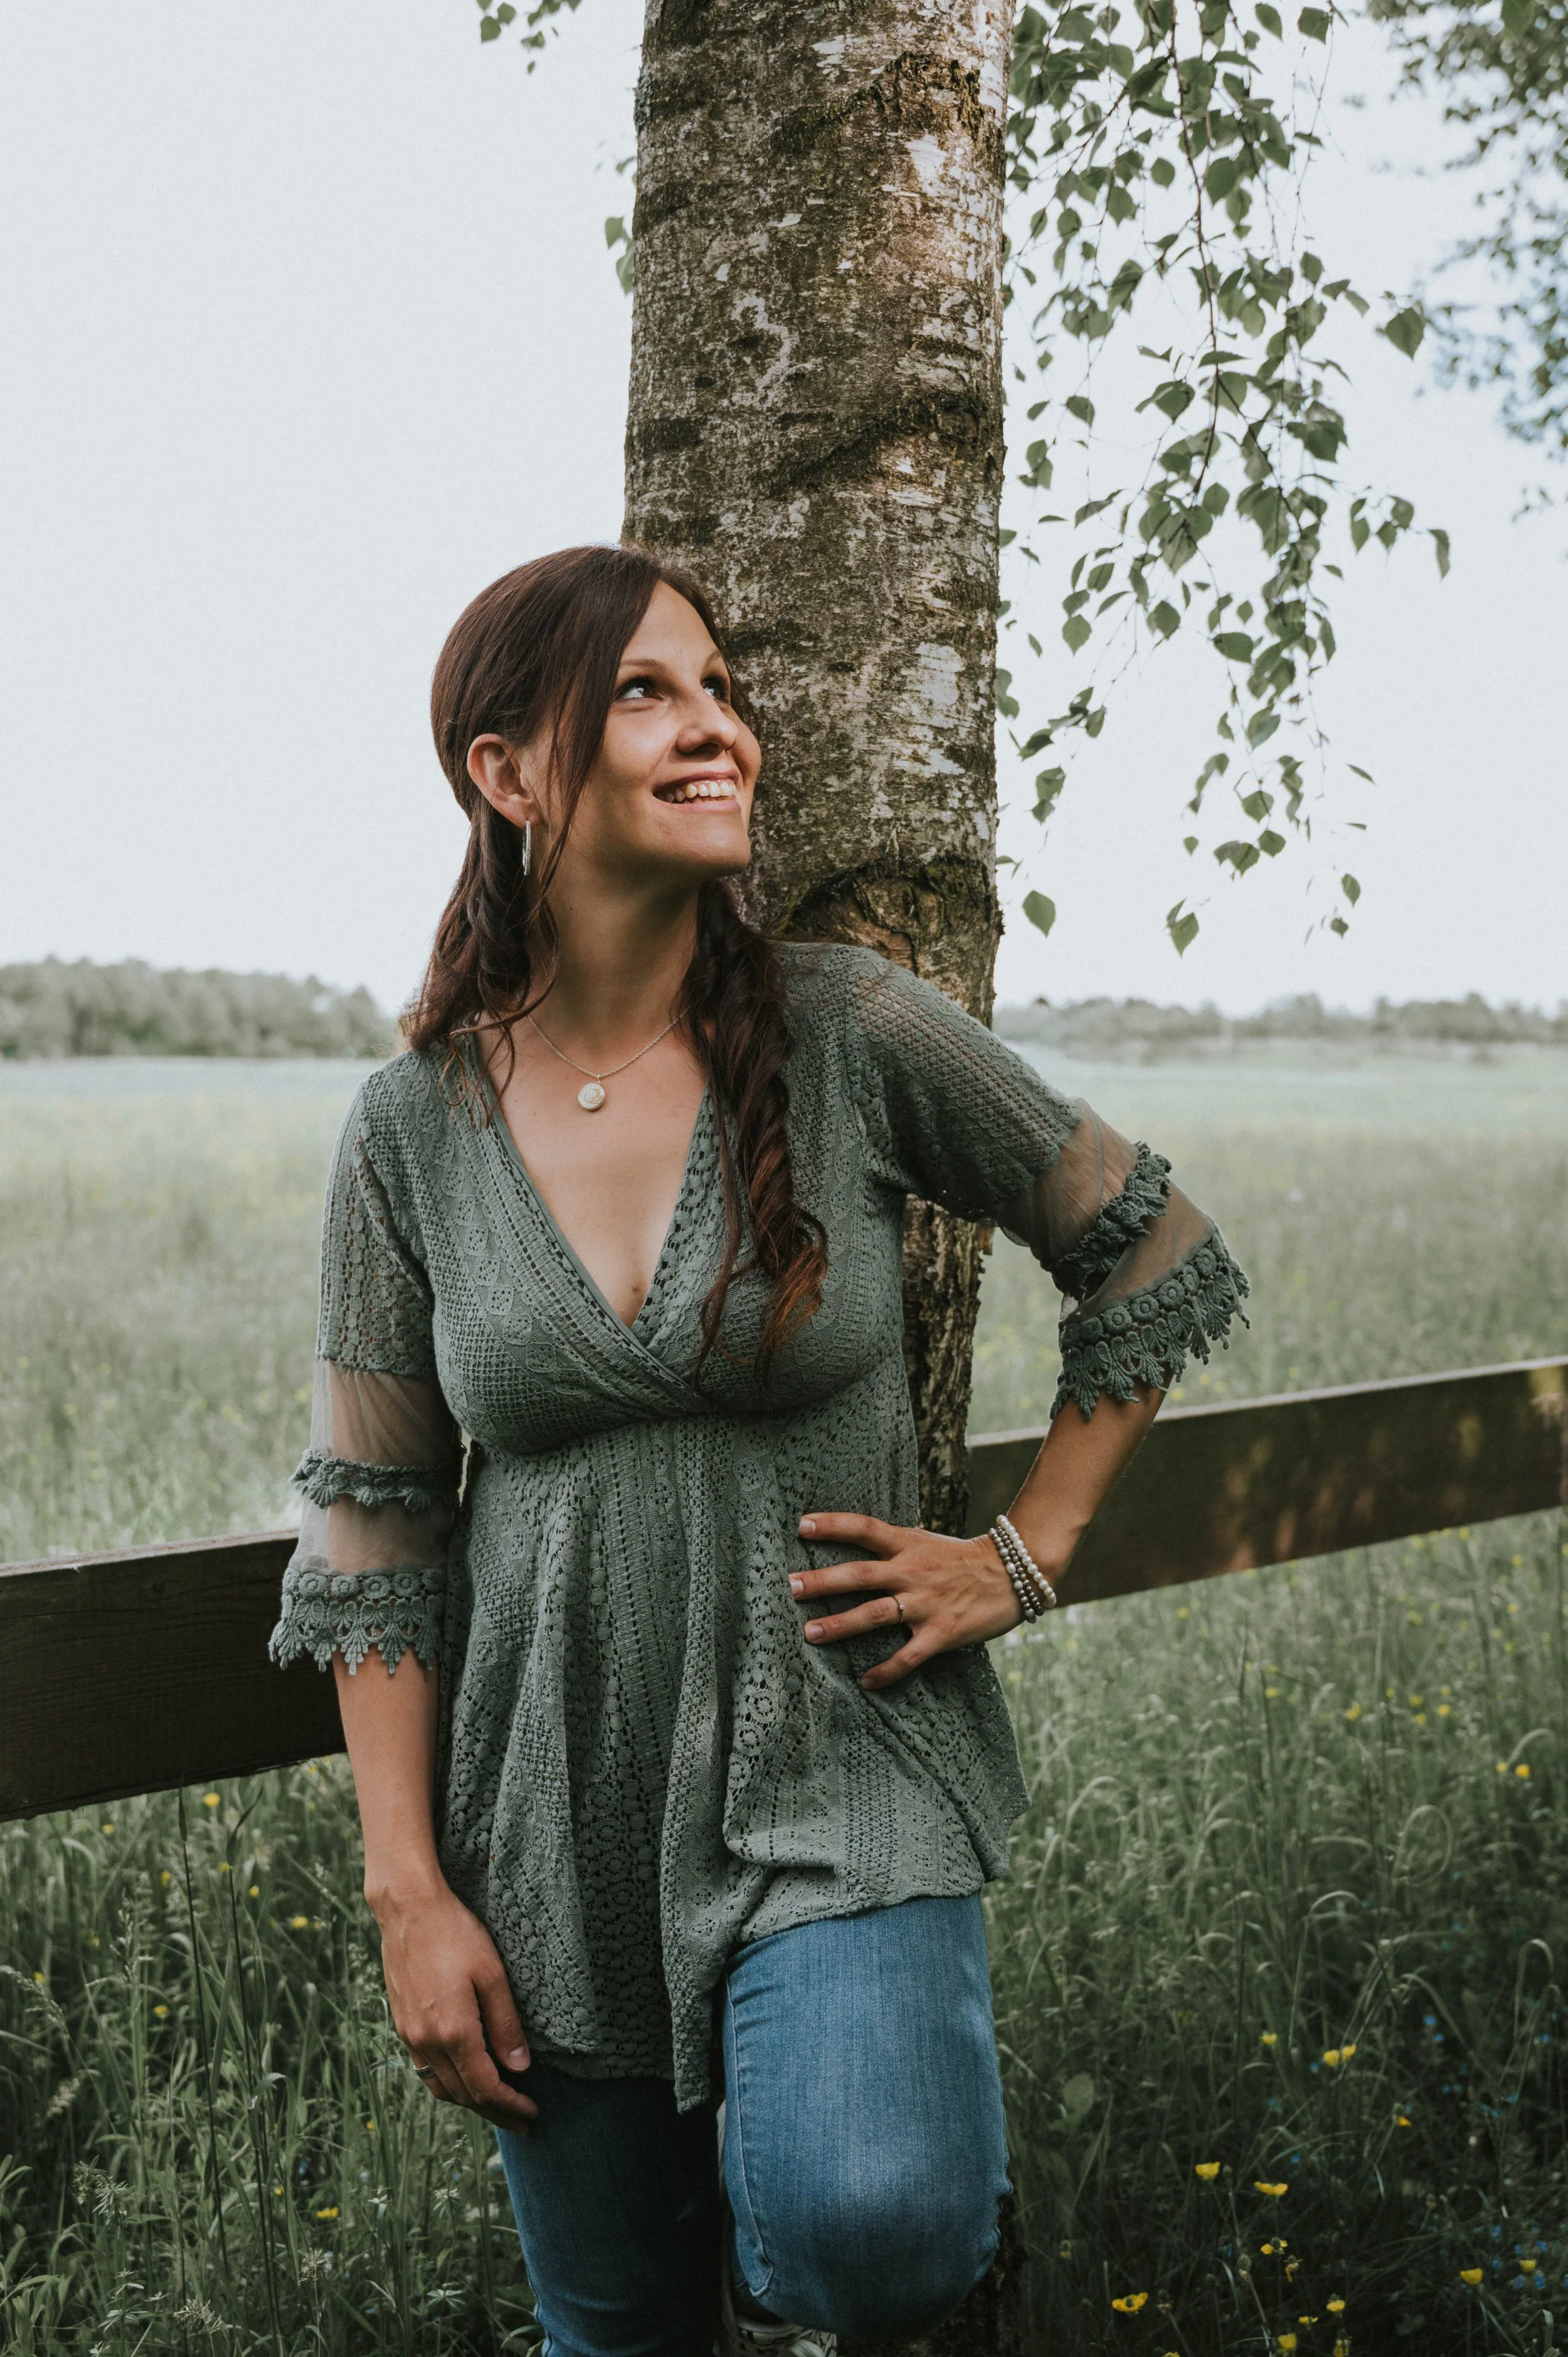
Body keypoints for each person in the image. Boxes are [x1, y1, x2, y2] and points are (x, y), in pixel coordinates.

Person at [269, 544, 1248, 2357]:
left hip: (840, 1762)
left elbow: (1150, 1250)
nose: (714, 725)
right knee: (618, 2330)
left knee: (870, 2225)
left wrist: (1022, 1553)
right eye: (646, 690)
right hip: (546, 1815)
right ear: (504, 773)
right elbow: (375, 1524)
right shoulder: (404, 1132)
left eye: (720, 688)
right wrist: (410, 1891)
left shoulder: (848, 1028)